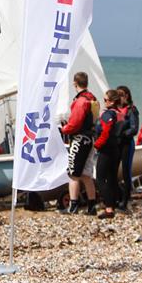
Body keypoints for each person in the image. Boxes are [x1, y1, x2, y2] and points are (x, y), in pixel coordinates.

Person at [60, 72, 99, 215]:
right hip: (90, 139)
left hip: (79, 139)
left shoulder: (81, 101)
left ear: (75, 83)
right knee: (87, 175)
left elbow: (75, 123)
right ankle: (92, 206)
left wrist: (64, 129)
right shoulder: (92, 98)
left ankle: (73, 206)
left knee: (73, 174)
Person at [94, 89, 125, 219]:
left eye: (105, 100)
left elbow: (106, 132)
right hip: (116, 149)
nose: (104, 102)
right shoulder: (120, 114)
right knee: (112, 178)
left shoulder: (108, 115)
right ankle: (112, 204)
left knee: (100, 178)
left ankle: (108, 208)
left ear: (112, 101)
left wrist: (97, 145)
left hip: (106, 149)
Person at [116, 85, 139, 210]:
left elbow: (134, 128)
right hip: (116, 144)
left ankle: (125, 200)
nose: (120, 97)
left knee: (126, 172)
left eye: (122, 95)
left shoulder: (132, 110)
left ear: (127, 96)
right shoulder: (115, 109)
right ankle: (117, 196)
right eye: (117, 95)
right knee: (112, 171)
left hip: (127, 144)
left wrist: (122, 134)